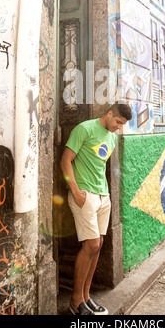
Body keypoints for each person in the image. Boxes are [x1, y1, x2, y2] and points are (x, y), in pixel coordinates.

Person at [60, 102, 132, 316]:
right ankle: (75, 301)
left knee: (98, 245)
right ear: (109, 114)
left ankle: (86, 297)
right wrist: (75, 190)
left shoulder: (111, 137)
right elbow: (66, 161)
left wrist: (104, 195)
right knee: (90, 244)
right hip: (84, 195)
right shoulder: (85, 128)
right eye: (118, 121)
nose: (118, 127)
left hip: (103, 195)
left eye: (122, 125)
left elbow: (99, 166)